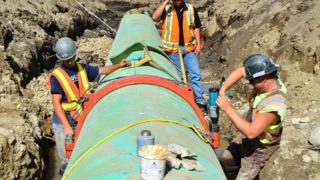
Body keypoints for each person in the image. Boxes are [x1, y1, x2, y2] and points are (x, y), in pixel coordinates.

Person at [47, 37, 131, 175]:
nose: (68, 62)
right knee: (67, 154)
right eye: (65, 60)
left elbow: (102, 71)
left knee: (81, 150)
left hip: (80, 115)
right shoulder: (58, 76)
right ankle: (66, 173)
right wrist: (67, 127)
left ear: (75, 55)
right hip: (63, 121)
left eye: (71, 58)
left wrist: (119, 66)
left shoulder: (82, 69)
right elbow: (56, 104)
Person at [216, 53, 288, 179]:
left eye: (251, 81)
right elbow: (241, 71)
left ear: (263, 78)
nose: (250, 83)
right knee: (226, 158)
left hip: (261, 148)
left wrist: (228, 109)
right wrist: (223, 89)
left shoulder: (274, 103)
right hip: (248, 138)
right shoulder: (269, 76)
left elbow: (251, 132)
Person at [152, 0, 205, 109]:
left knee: (195, 74)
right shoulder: (167, 9)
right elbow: (154, 17)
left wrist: (199, 44)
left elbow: (196, 27)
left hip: (189, 48)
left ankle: (199, 101)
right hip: (173, 50)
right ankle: (184, 101)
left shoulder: (190, 9)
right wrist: (165, 2)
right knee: (179, 77)